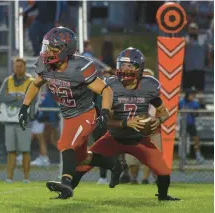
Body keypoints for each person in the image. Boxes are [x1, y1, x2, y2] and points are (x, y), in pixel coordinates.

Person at [18, 26, 126, 199]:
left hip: (86, 113)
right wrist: (25, 106)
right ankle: (114, 165)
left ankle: (66, 184)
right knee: (82, 158)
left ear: (65, 49)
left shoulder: (79, 67)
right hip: (68, 116)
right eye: (47, 47)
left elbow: (106, 90)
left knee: (65, 144)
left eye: (53, 48)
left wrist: (105, 112)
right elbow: (36, 83)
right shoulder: (46, 65)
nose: (48, 52)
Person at [72, 47, 180, 201]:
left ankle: (163, 197)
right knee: (83, 163)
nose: (124, 69)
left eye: (129, 66)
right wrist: (126, 123)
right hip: (113, 138)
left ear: (139, 67)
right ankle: (67, 189)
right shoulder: (110, 86)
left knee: (163, 171)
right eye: (122, 65)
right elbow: (106, 120)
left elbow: (164, 113)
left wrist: (158, 120)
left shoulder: (149, 86)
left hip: (139, 140)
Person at [0, 57, 36, 183]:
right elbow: (1, 97)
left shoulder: (31, 81)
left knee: (26, 150)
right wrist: (17, 97)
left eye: (20, 66)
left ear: (25, 67)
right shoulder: (7, 81)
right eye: (16, 66)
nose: (17, 68)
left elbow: (31, 99)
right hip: (9, 120)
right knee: (11, 150)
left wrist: (13, 98)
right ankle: (9, 178)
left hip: (24, 121)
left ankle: (26, 178)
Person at [179, 88, 205, 164]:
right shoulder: (181, 102)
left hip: (191, 124)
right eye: (192, 94)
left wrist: (194, 113)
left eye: (194, 94)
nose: (194, 95)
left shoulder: (195, 103)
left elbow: (197, 114)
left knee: (196, 139)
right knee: (183, 140)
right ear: (187, 95)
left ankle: (198, 156)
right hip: (183, 124)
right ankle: (183, 157)